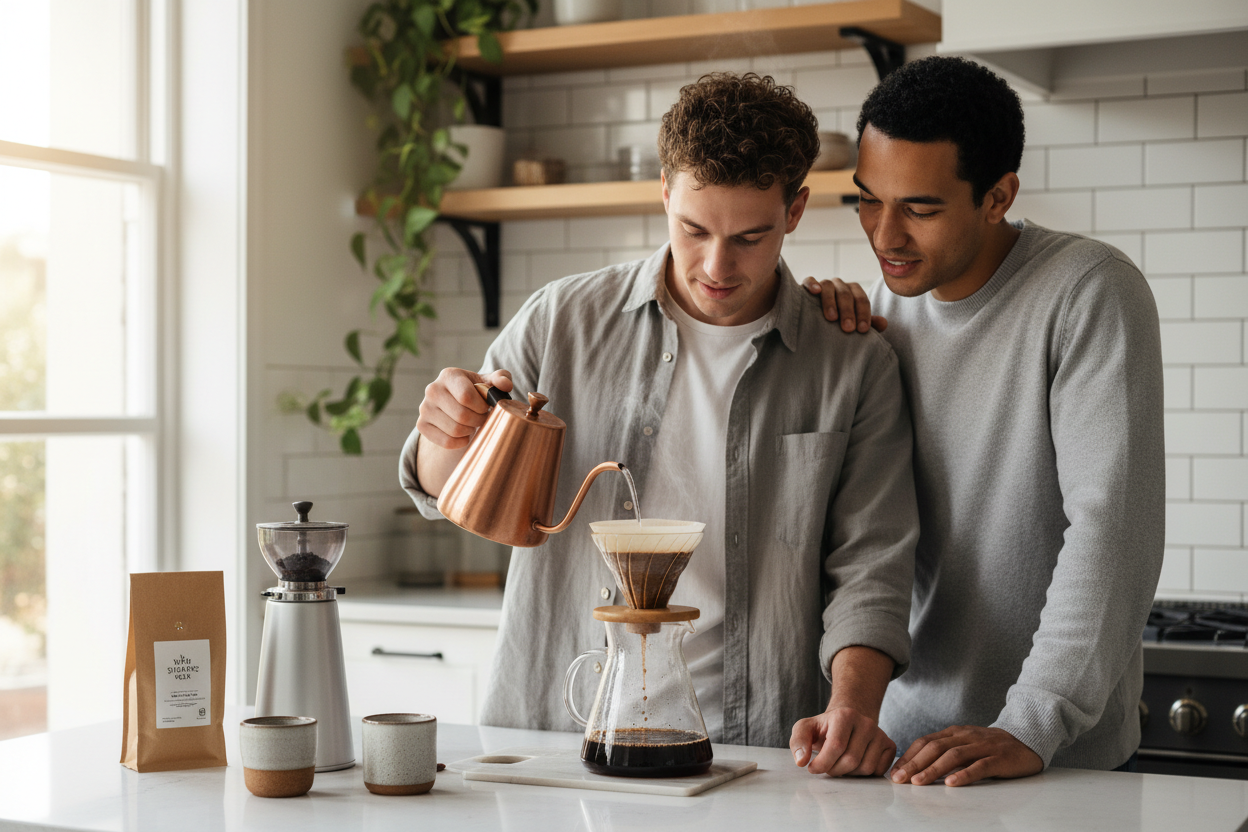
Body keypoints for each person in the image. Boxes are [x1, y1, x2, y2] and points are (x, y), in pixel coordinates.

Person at [401, 73, 919, 772]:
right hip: (552, 734)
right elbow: (448, 495)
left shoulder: (852, 362)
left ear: (795, 210)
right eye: (694, 229)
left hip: (757, 747)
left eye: (750, 236)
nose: (716, 265)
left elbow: (872, 565)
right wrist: (446, 434)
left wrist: (854, 705)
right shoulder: (562, 321)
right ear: (665, 192)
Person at [793, 56, 1165, 786]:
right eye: (868, 200)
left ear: (998, 197)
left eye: (920, 209)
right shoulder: (883, 309)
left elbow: (1112, 526)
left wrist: (1031, 723)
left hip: (1052, 758)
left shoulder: (1090, 292)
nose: (885, 235)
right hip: (903, 754)